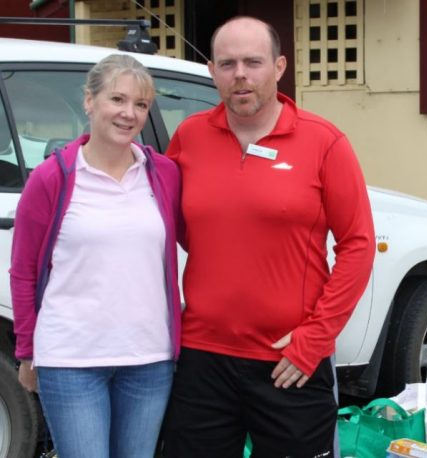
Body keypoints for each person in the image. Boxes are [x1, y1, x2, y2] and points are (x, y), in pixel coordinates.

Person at [162, 16, 375, 457]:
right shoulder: (189, 138)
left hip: (290, 361)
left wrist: (314, 339)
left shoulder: (324, 143)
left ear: (278, 67)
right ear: (212, 72)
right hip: (203, 356)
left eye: (252, 62)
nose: (240, 74)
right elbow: (177, 227)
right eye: (227, 63)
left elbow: (358, 245)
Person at [10, 54, 183, 458]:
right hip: (71, 361)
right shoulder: (53, 176)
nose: (129, 114)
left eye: (140, 105)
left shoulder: (163, 173)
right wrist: (27, 351)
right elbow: (22, 272)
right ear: (89, 101)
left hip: (149, 359)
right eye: (117, 100)